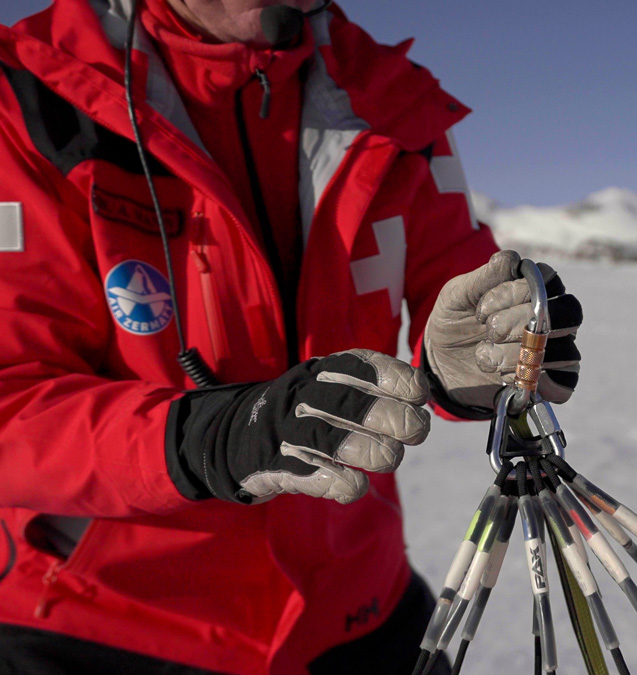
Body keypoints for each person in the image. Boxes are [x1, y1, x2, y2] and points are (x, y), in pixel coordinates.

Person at [0, 0, 582, 672]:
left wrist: (483, 359)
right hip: (101, 620)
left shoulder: (393, 102)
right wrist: (202, 439)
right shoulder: (26, 92)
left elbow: (453, 298)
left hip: (354, 605)